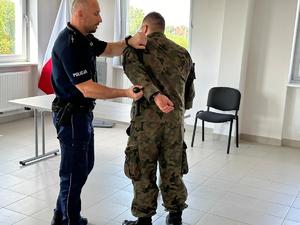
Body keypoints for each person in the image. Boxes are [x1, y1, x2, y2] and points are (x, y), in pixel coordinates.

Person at [50, 0, 147, 225]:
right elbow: (87, 88)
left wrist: (129, 41)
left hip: (82, 115)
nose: (101, 19)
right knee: (73, 175)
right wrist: (125, 92)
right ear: (80, 13)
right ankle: (70, 220)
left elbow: (110, 49)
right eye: (97, 14)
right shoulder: (69, 44)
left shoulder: (85, 38)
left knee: (83, 167)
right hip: (72, 116)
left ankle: (60, 216)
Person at [122, 12, 195, 225]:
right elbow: (188, 95)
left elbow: (137, 77)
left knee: (143, 170)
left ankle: (144, 220)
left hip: (145, 124)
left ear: (144, 29)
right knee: (172, 168)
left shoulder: (135, 49)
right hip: (174, 121)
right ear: (162, 28)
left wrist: (153, 95)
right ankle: (175, 218)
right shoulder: (183, 54)